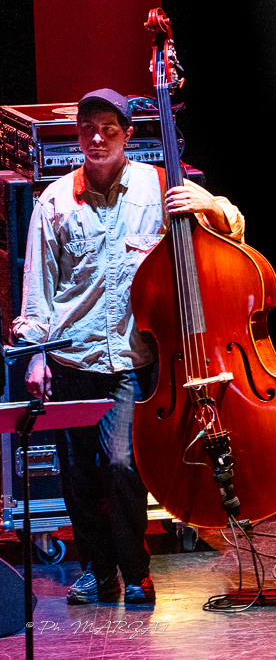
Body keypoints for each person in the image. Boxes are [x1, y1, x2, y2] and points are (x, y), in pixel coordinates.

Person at [12, 88, 245, 605]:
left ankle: (136, 572)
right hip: (72, 357)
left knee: (121, 466)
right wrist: (35, 354)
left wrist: (211, 205)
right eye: (87, 130)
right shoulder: (54, 201)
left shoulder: (157, 186)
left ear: (127, 135)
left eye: (108, 130)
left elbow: (230, 227)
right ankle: (99, 573)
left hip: (130, 358)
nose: (96, 139)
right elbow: (38, 289)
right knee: (80, 478)